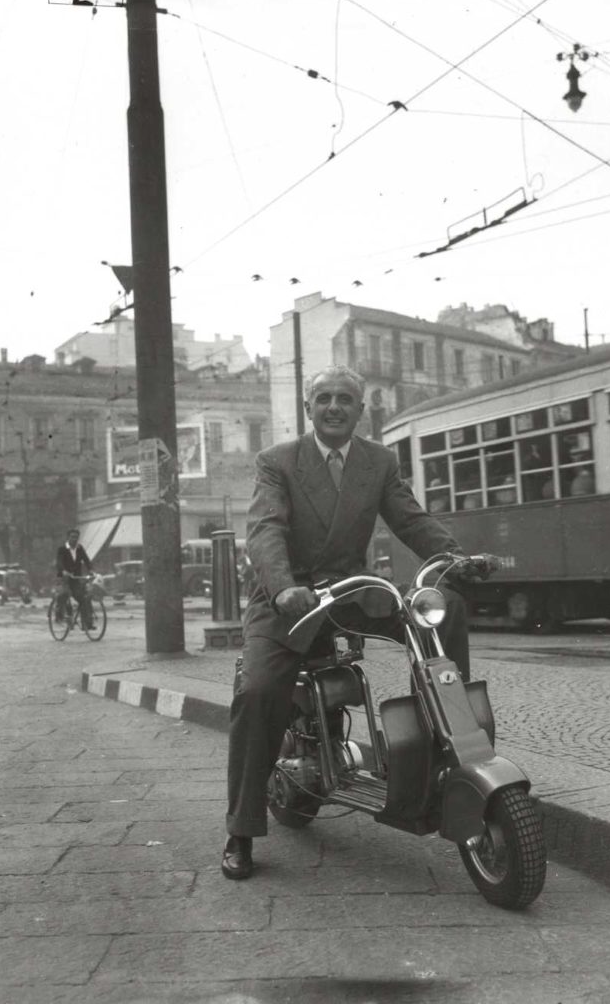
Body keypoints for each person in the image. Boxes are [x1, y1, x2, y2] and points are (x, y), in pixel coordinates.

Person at [222, 364, 471, 881]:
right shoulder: (277, 461)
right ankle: (241, 829)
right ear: (308, 408)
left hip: (351, 591)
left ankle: (443, 744)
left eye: (345, 399)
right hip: (287, 597)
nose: (334, 406)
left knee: (441, 610)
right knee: (261, 688)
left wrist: (455, 556)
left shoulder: (377, 461)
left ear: (361, 411)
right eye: (324, 398)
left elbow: (409, 517)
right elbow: (265, 530)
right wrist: (283, 585)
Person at [54, 528, 95, 627]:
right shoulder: (62, 549)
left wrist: (91, 570)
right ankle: (59, 615)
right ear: (68, 538)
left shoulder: (80, 548)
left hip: (76, 578)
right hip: (64, 578)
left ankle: (87, 624)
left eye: (76, 537)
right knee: (64, 594)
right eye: (72, 537)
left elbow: (86, 560)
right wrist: (63, 571)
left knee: (83, 598)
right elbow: (59, 562)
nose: (74, 539)